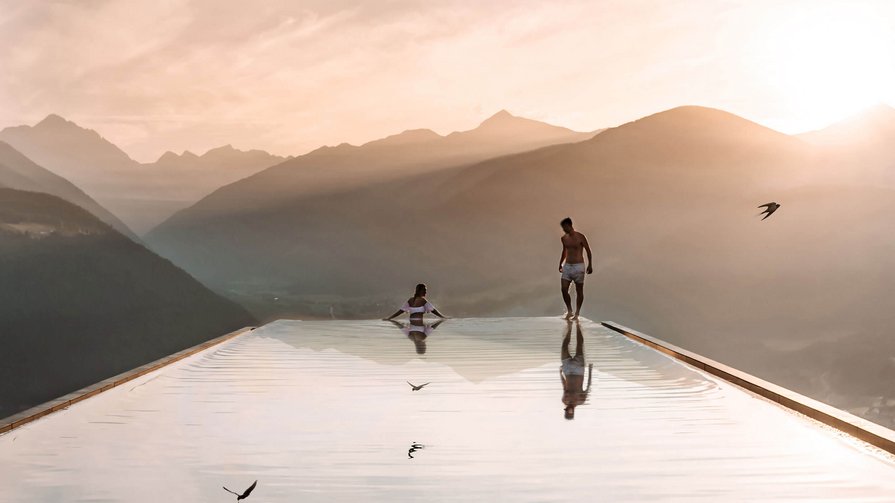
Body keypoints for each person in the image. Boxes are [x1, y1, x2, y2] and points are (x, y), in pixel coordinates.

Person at [558, 217, 593, 320]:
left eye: (565, 227)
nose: (564, 230)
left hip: (579, 266)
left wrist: (590, 264)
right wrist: (560, 263)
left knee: (579, 290)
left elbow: (588, 250)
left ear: (570, 225)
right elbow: (564, 251)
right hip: (568, 265)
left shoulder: (580, 237)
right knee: (564, 289)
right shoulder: (564, 238)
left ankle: (577, 313)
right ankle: (569, 311)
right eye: (563, 228)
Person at [560, 320, 594, 420]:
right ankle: (578, 325)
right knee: (580, 344)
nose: (568, 409)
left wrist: (560, 374)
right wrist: (590, 370)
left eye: (567, 411)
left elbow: (564, 386)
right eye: (570, 412)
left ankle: (570, 326)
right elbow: (588, 385)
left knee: (564, 345)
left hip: (567, 370)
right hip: (579, 370)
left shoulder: (564, 401)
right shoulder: (581, 400)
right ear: (573, 412)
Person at [383, 283, 449, 321]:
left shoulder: (410, 300)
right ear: (419, 291)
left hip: (412, 325)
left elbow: (400, 311)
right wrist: (443, 317)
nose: (426, 292)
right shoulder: (423, 300)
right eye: (424, 290)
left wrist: (389, 318)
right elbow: (434, 310)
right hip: (419, 326)